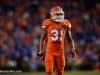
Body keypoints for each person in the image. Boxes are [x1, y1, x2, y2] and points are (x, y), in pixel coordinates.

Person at [37, 6, 77, 75]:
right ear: (52, 14)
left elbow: (70, 39)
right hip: (50, 52)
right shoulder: (47, 23)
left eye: (60, 14)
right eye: (57, 14)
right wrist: (41, 51)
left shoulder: (66, 23)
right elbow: (42, 38)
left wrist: (73, 49)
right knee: (49, 71)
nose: (59, 16)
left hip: (60, 52)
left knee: (60, 73)